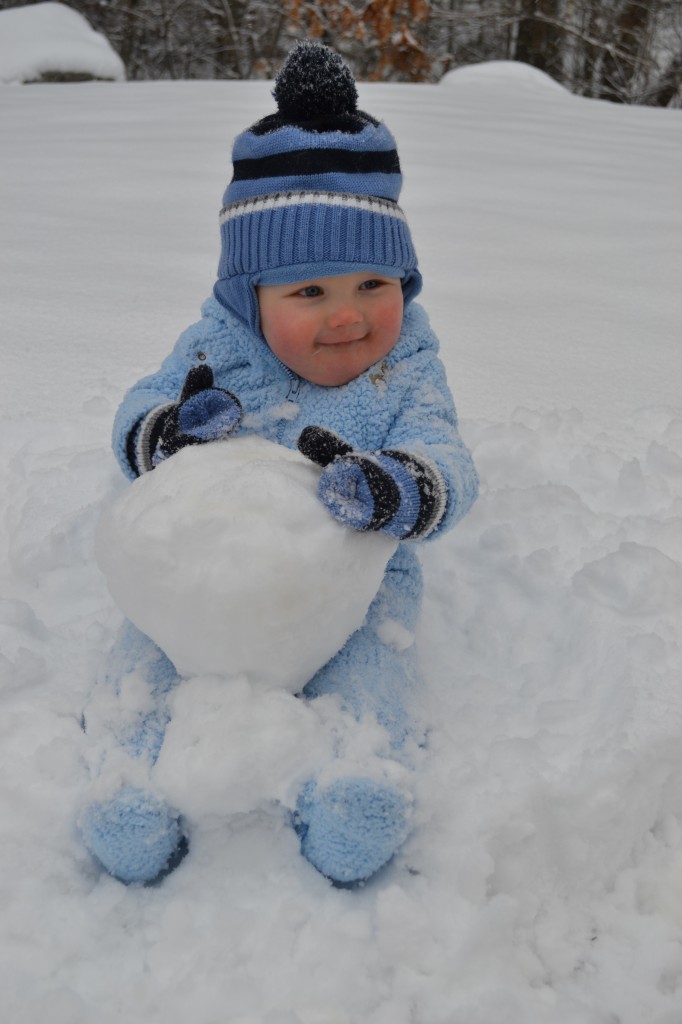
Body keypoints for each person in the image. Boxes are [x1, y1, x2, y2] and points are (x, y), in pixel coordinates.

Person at [79, 41, 479, 887]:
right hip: (202, 571)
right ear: (248, 298)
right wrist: (169, 436)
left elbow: (446, 455)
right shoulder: (214, 350)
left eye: (375, 282)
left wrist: (394, 486)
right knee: (147, 652)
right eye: (309, 293)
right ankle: (129, 784)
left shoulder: (405, 365)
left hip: (351, 581)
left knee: (372, 662)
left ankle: (357, 783)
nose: (350, 318)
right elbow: (132, 418)